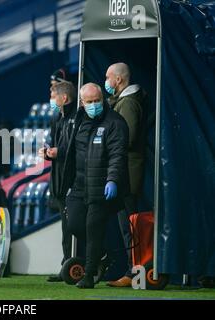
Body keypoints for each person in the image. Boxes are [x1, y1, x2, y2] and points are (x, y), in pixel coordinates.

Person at [61, 83, 129, 288]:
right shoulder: (78, 120)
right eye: (89, 102)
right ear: (82, 103)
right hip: (79, 184)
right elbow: (71, 151)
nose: (94, 105)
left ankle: (89, 275)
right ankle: (105, 251)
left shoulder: (115, 122)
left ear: (102, 99)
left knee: (93, 228)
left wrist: (112, 179)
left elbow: (118, 154)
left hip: (100, 185)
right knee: (73, 223)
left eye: (97, 101)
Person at [104, 63, 147, 287]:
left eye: (107, 77)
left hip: (128, 173)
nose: (106, 81)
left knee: (129, 225)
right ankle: (130, 270)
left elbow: (126, 137)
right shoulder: (122, 101)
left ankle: (134, 273)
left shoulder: (129, 103)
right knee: (124, 224)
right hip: (124, 171)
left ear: (118, 80)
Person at [38, 80, 77, 282]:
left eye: (53, 97)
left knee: (72, 227)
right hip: (59, 181)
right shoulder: (58, 119)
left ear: (63, 98)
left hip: (71, 181)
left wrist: (57, 152)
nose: (51, 101)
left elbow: (75, 148)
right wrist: (47, 153)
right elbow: (54, 145)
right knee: (65, 228)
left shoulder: (76, 118)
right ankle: (67, 264)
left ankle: (73, 264)